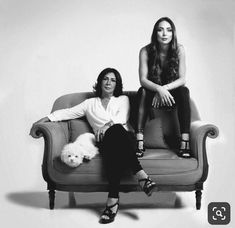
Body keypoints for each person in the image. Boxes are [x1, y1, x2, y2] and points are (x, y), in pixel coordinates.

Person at [33, 68, 156, 224]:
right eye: (105, 79)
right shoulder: (89, 103)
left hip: (125, 139)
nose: (109, 82)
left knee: (116, 131)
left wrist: (105, 126)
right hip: (104, 142)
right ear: (100, 82)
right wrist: (41, 121)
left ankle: (113, 201)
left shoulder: (122, 99)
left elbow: (121, 118)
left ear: (117, 84)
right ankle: (142, 177)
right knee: (112, 144)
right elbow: (67, 112)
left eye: (113, 80)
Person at [136, 17, 191, 158]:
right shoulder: (145, 51)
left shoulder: (180, 49)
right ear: (155, 33)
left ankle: (185, 142)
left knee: (184, 91)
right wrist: (158, 89)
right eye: (160, 30)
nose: (165, 34)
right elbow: (143, 80)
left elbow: (182, 79)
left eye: (169, 30)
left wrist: (164, 88)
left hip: (171, 93)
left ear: (173, 33)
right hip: (152, 91)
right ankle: (139, 141)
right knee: (142, 91)